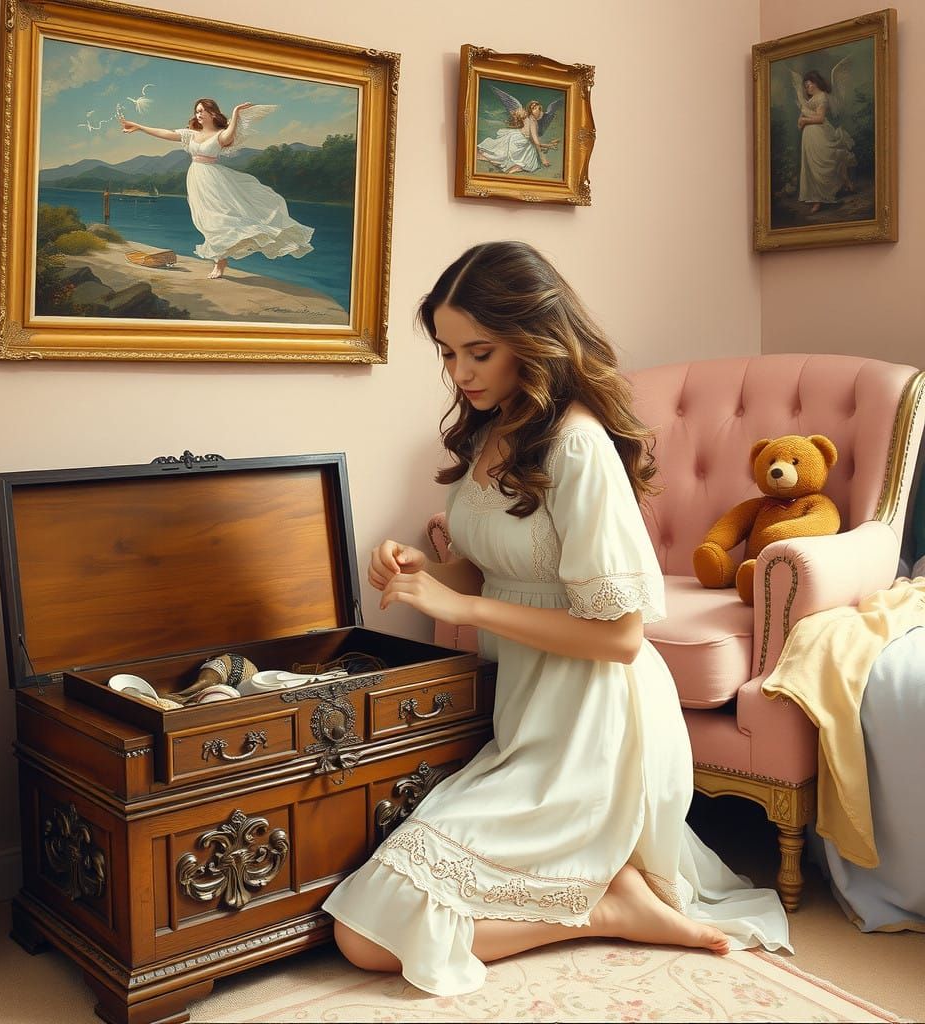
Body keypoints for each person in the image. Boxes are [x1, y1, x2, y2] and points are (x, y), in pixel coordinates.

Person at [321, 241, 791, 996]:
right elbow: (488, 565)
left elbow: (621, 636)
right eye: (447, 354)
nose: (460, 373)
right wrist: (419, 570)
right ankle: (608, 899)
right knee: (372, 923)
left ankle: (608, 908)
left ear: (532, 339)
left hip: (596, 727)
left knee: (365, 936)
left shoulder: (578, 446)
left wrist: (462, 606)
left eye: (479, 351)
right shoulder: (490, 428)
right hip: (531, 715)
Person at [118, 98, 313, 279]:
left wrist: (235, 113)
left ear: (213, 113)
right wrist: (139, 127)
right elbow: (166, 133)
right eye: (197, 111)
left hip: (215, 180)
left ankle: (219, 263)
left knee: (218, 219)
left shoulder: (220, 135)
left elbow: (229, 135)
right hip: (196, 180)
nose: (198, 114)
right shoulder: (191, 134)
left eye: (202, 111)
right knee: (205, 220)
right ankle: (220, 259)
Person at [795, 69, 856, 214]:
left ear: (816, 83)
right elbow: (804, 119)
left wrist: (804, 120)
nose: (807, 88)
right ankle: (817, 198)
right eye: (806, 86)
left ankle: (822, 198)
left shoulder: (822, 96)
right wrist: (800, 120)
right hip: (809, 137)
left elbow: (820, 118)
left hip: (820, 134)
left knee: (822, 163)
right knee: (811, 166)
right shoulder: (809, 100)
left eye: (809, 85)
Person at [476, 95, 558, 174]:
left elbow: (533, 140)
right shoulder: (533, 121)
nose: (537, 110)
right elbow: (536, 142)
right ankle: (513, 166)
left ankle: (505, 163)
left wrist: (547, 145)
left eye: (539, 108)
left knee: (500, 154)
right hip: (519, 140)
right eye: (534, 108)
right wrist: (543, 159)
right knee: (530, 160)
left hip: (516, 136)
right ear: (530, 110)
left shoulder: (528, 117)